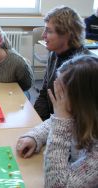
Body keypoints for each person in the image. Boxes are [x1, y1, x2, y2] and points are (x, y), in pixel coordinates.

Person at [17, 55, 98, 187]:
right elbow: (53, 122)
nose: (57, 97)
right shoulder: (81, 115)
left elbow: (56, 185)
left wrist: (61, 121)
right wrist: (35, 136)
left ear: (83, 101)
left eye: (62, 93)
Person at [34, 6, 91, 121]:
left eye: (49, 31)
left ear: (67, 34)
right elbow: (45, 93)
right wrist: (36, 121)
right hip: (51, 122)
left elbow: (81, 118)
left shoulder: (85, 66)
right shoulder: (54, 54)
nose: (43, 35)